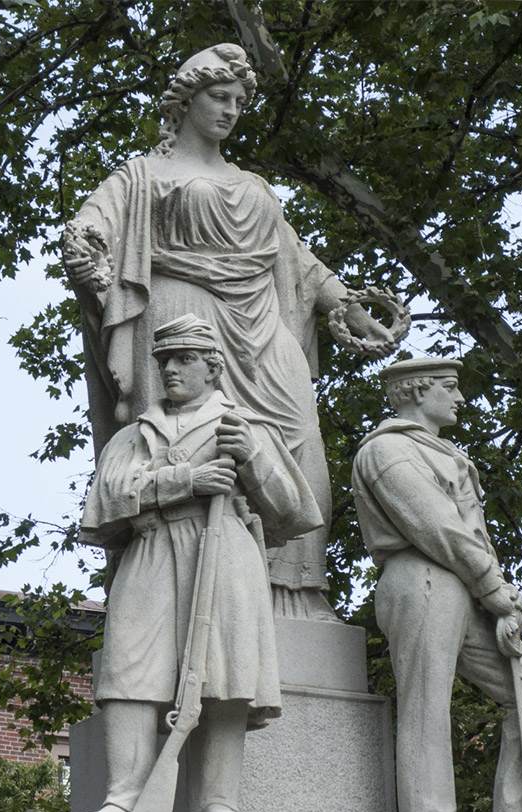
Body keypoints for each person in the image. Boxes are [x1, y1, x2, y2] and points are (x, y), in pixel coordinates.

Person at [64, 43, 398, 620]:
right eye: (219, 97)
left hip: (262, 324)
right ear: (186, 101)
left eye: (239, 101)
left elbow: (293, 259)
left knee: (297, 439)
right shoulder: (143, 174)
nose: (229, 110)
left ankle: (294, 593)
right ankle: (179, 581)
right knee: (177, 439)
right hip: (179, 314)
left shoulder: (253, 185)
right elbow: (94, 224)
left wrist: (344, 303)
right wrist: (87, 246)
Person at [75, 314, 322, 812]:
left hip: (225, 549)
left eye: (184, 359)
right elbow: (103, 506)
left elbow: (295, 513)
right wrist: (184, 480)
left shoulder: (246, 428)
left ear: (213, 367)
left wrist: (251, 460)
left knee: (227, 672)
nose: (170, 370)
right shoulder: (132, 436)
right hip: (151, 550)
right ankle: (125, 798)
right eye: (164, 361)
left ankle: (217, 800)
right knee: (129, 670)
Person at [351, 357, 522, 812]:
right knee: (428, 705)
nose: (459, 398)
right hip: (422, 575)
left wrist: (491, 588)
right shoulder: (388, 450)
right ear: (415, 391)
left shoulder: (444, 452)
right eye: (449, 388)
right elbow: (436, 526)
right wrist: (491, 585)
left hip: (465, 582)